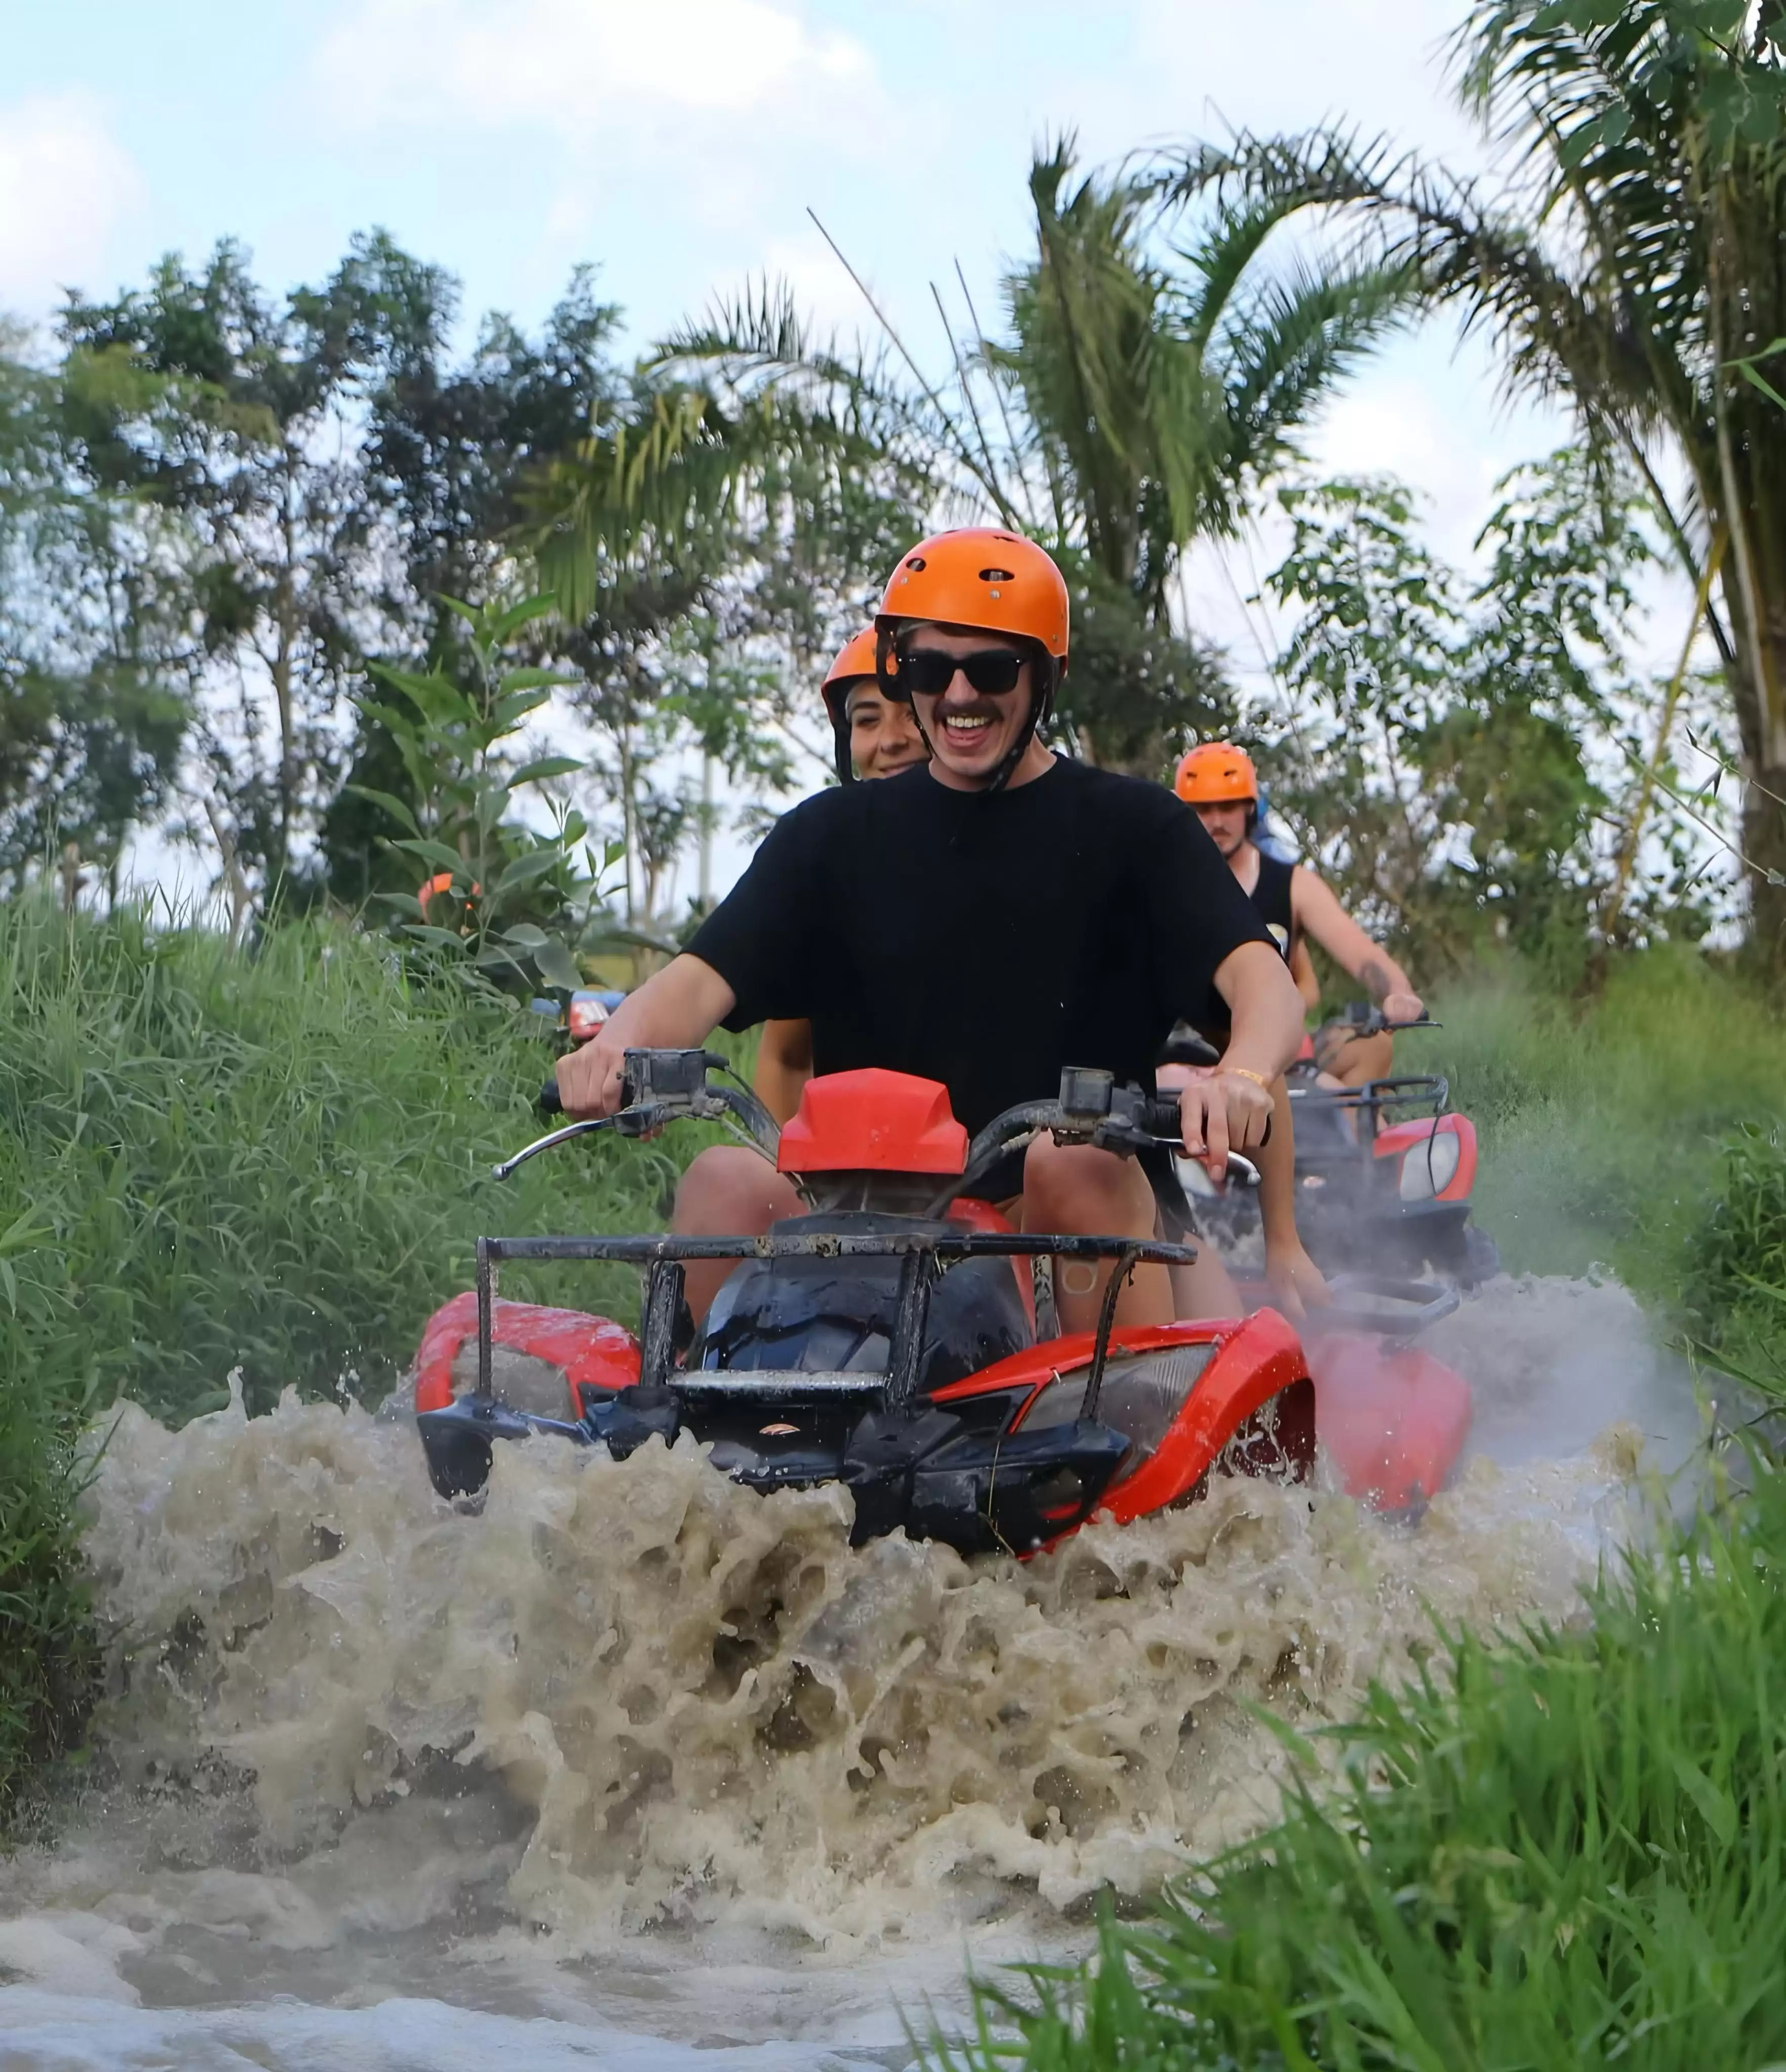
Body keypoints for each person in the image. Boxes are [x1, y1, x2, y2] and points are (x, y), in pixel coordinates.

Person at [558, 528, 1307, 1334]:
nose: (957, 695)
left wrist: (1242, 1074)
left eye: (990, 670)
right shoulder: (828, 835)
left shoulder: (1138, 829)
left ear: (1045, 675)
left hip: (1069, 1220)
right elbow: (697, 980)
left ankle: (1122, 1401)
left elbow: (1260, 979)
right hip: (866, 1224)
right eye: (928, 669)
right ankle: (704, 1406)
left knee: (1074, 1160)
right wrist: (614, 1047)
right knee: (721, 1179)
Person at [1173, 744, 1426, 1089]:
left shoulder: (1293, 884)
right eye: (1204, 810)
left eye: (1228, 806)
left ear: (1249, 807)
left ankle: (1349, 1123)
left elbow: (1359, 951)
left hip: (1276, 1053)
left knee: (1372, 1046)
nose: (1217, 822)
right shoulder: (1167, 884)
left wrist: (1398, 993)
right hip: (1192, 1054)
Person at [754, 627, 926, 1127]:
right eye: (868, 720)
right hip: (853, 1162)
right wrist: (779, 1166)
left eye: (911, 715)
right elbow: (786, 1058)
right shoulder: (824, 868)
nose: (891, 740)